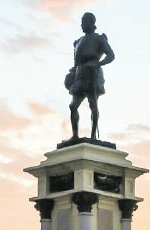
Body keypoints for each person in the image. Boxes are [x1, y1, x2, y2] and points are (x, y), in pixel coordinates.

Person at [64, 12, 115, 140]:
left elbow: (111, 55)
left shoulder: (99, 39)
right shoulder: (78, 41)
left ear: (90, 23)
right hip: (80, 74)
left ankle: (93, 136)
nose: (81, 25)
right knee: (73, 106)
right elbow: (76, 63)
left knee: (93, 105)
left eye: (83, 22)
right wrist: (72, 74)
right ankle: (75, 136)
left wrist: (98, 64)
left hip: (93, 74)